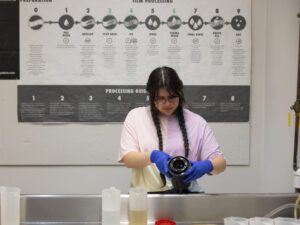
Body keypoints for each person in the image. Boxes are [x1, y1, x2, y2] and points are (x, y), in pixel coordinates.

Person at [118, 66, 226, 193]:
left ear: (180, 94)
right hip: (146, 198)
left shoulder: (196, 122)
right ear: (151, 96)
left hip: (188, 197)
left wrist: (208, 165)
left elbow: (221, 163)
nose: (167, 103)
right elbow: (128, 159)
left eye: (172, 97)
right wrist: (153, 156)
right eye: (160, 98)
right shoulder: (136, 117)